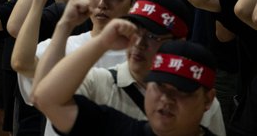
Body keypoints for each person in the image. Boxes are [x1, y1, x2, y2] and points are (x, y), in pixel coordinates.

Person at [33, 19, 219, 136]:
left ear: (208, 100)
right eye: (160, 86)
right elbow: (46, 98)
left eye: (182, 91)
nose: (166, 99)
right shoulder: (118, 128)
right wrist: (101, 41)